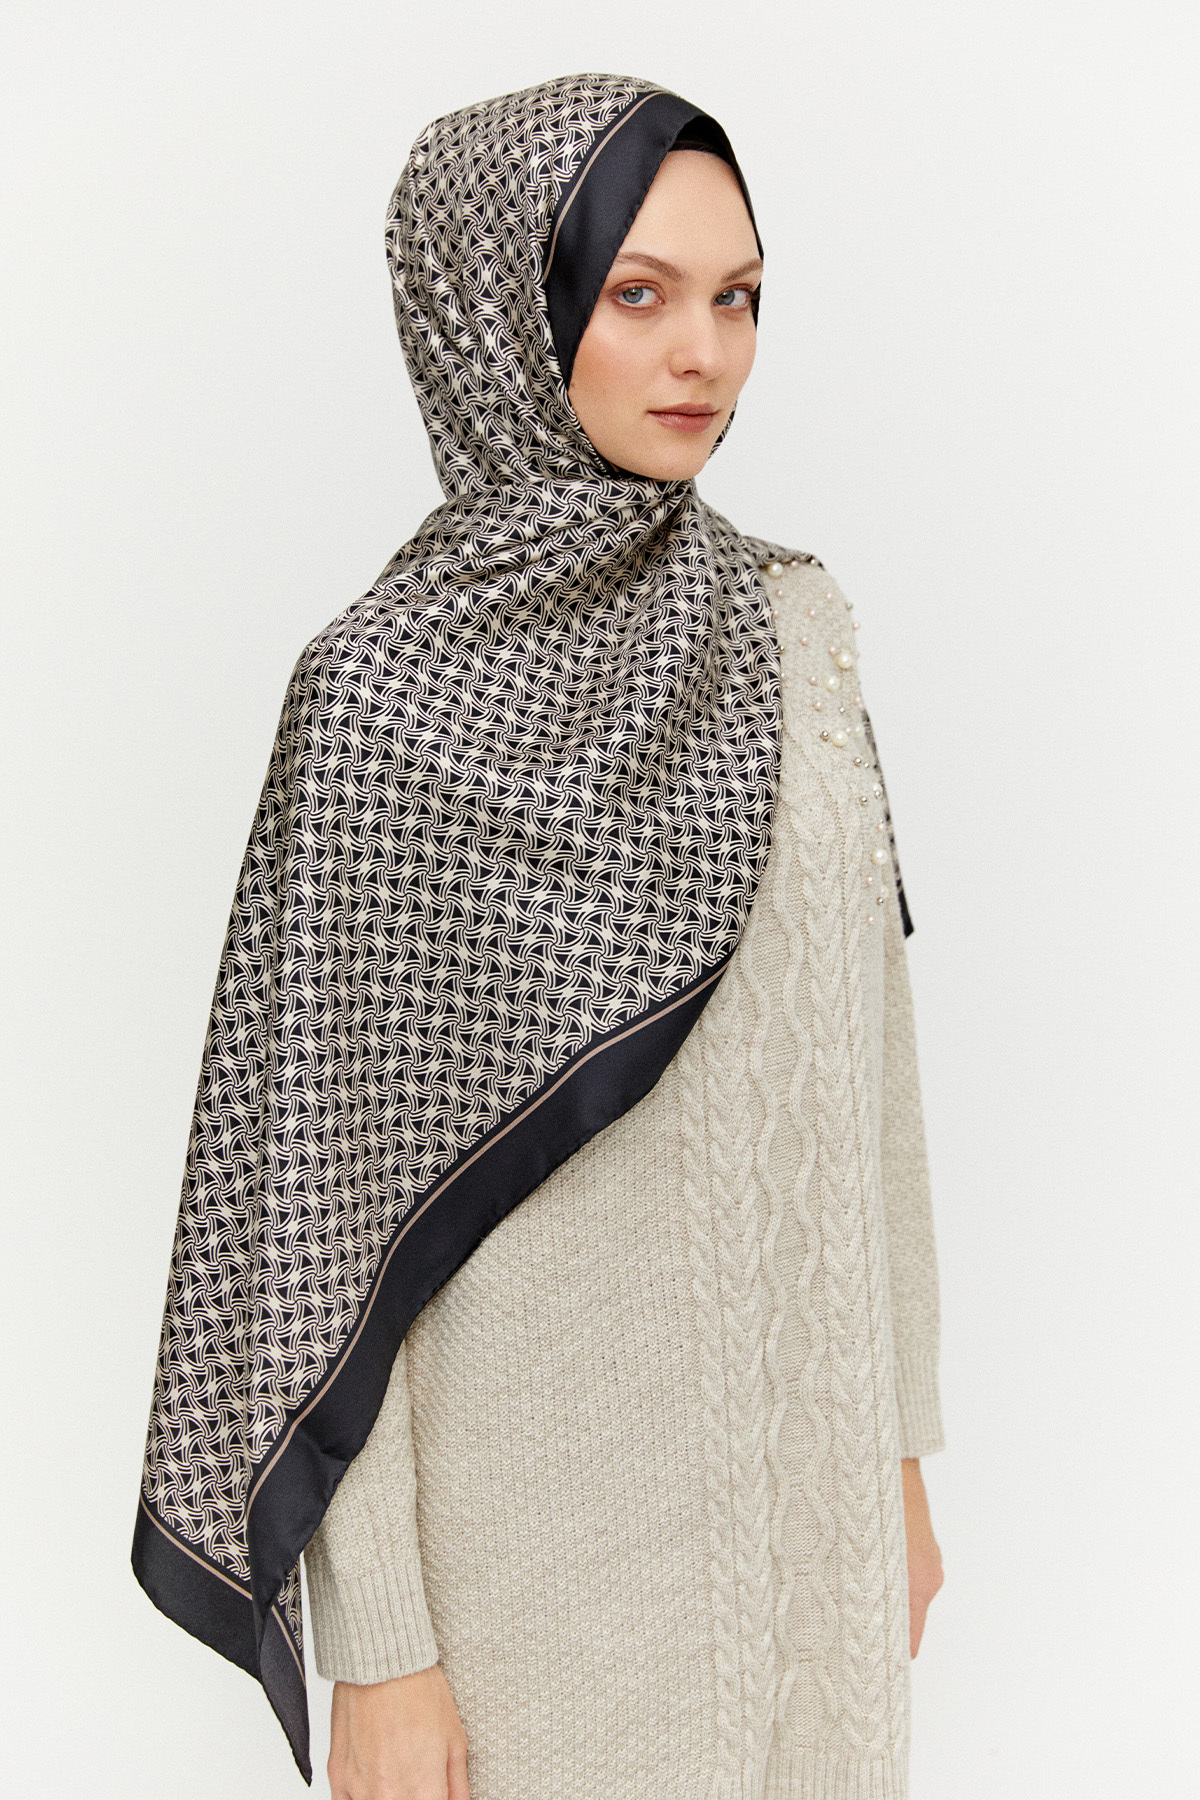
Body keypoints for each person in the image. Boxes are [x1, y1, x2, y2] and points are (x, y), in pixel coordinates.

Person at [133, 73, 943, 1800]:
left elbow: (870, 1066)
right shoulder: (379, 702)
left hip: (816, 1526)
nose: (705, 355)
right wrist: (381, 1648)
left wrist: (899, 1454)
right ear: (501, 306)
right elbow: (325, 1205)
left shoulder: (796, 624)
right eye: (638, 295)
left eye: (738, 297)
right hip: (541, 1590)